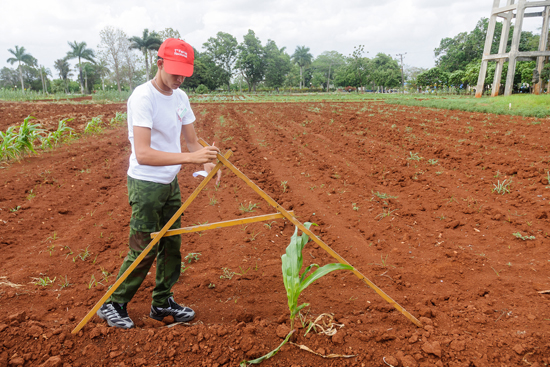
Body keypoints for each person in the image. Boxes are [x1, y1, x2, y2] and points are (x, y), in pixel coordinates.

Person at [97, 38, 220, 329]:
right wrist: (191, 159)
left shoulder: (181, 97)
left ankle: (162, 302)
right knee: (144, 247)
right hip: (146, 184)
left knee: (171, 245)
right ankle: (114, 304)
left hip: (169, 183)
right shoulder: (143, 97)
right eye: (174, 72)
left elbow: (191, 141)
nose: (179, 79)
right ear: (159, 63)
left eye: (184, 74)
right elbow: (143, 153)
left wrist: (208, 161)